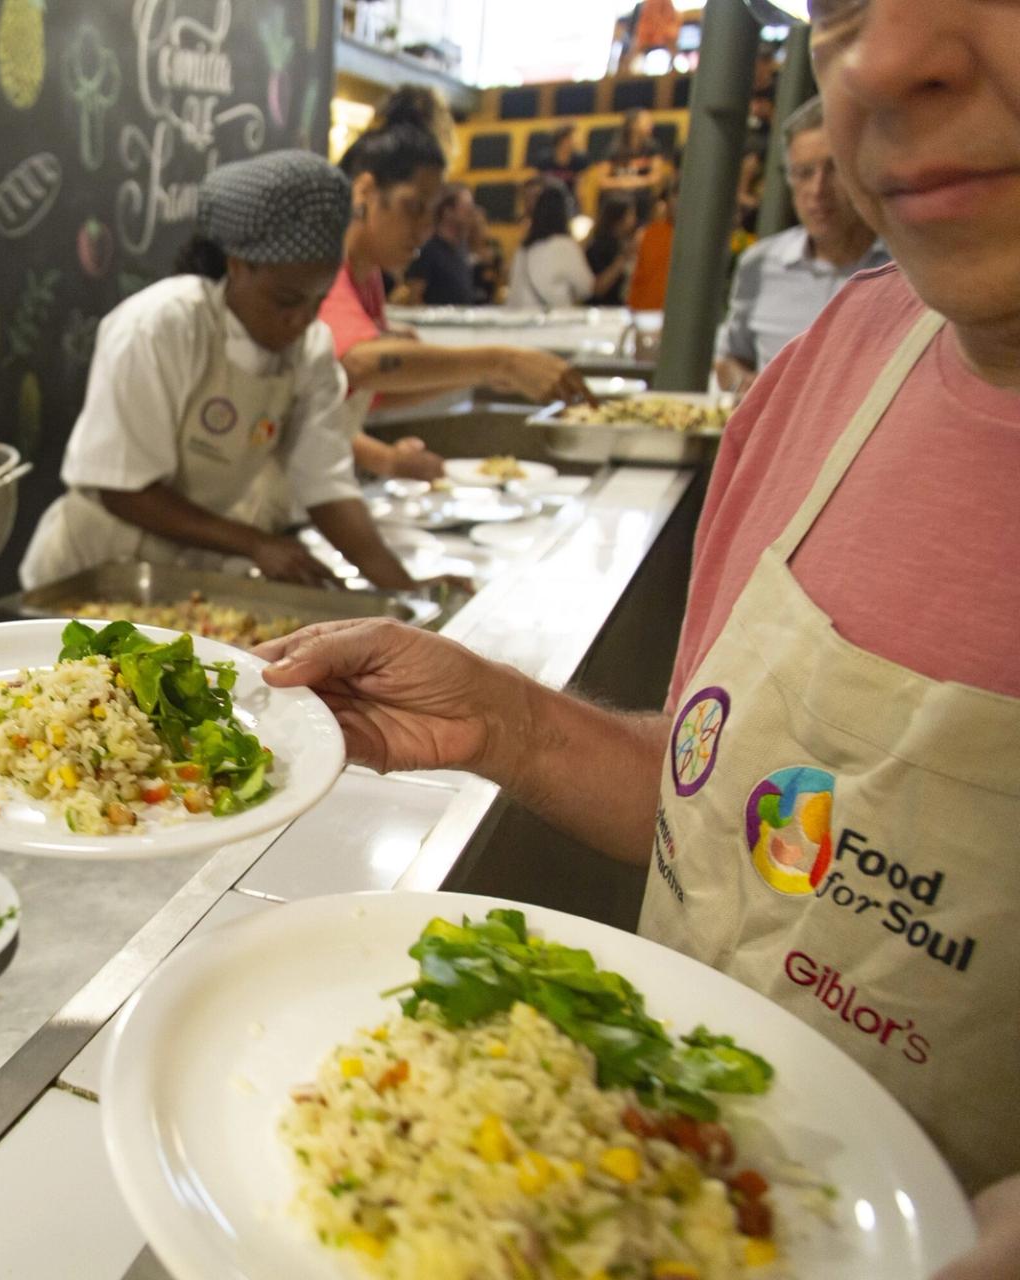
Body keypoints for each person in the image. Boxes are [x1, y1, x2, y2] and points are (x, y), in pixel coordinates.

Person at [258, 0, 1020, 1252]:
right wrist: (503, 717)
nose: (881, 60)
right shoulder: (826, 371)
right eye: (840, 4)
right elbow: (730, 805)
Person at [18, 150, 432, 593]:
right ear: (237, 265)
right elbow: (123, 489)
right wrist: (255, 544)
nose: (301, 320)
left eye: (318, 301)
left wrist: (405, 594)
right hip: (90, 571)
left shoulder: (311, 350)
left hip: (181, 578)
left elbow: (326, 487)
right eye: (286, 300)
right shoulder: (161, 326)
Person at [322, 104, 590, 463]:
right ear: (366, 192)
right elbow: (358, 364)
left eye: (430, 213)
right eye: (414, 208)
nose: (423, 229)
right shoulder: (325, 260)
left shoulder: (367, 273)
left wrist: (480, 375)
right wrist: (500, 362)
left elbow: (367, 391)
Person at [715, 97, 890, 393]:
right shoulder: (760, 264)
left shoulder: (906, 267)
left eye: (834, 169)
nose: (818, 189)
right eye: (804, 173)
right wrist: (745, 385)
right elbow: (728, 359)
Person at [507, 179, 594, 309]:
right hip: (552, 319)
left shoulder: (523, 249)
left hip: (520, 317)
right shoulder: (565, 246)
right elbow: (586, 288)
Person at [401, 184, 479, 308]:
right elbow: (414, 297)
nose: (472, 213)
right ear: (448, 211)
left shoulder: (462, 247)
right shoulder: (428, 249)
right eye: (466, 208)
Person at [595, 109, 673, 218]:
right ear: (633, 124)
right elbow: (602, 181)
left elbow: (656, 177)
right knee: (612, 199)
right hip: (617, 193)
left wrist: (637, 182)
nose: (651, 124)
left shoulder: (653, 148)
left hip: (641, 193)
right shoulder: (613, 149)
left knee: (642, 197)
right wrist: (622, 183)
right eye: (646, 121)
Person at [580, 193, 642, 307]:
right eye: (630, 214)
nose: (634, 219)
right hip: (603, 309)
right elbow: (598, 288)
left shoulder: (624, 242)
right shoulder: (599, 247)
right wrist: (623, 258)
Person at [535, 125, 590, 215]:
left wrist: (581, 213)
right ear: (563, 141)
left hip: (570, 203)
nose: (576, 141)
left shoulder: (579, 160)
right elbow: (539, 186)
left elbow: (579, 191)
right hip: (549, 202)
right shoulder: (544, 160)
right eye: (572, 138)